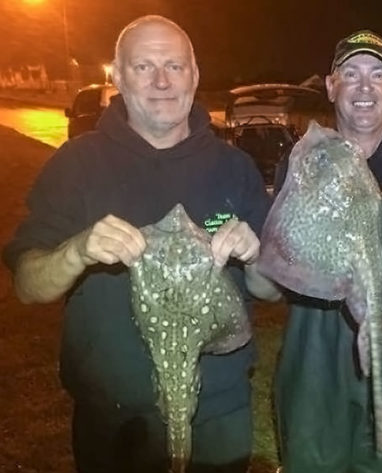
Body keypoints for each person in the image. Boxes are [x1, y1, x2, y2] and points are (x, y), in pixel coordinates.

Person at [2, 15, 280, 473]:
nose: (162, 81)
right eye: (143, 67)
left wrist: (256, 257)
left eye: (174, 66)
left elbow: (270, 291)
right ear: (118, 75)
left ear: (195, 74)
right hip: (114, 420)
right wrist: (76, 250)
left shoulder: (236, 167)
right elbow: (28, 286)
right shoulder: (77, 164)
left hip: (219, 414)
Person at [273, 30, 382, 473]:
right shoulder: (301, 161)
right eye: (351, 74)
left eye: (378, 75)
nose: (364, 87)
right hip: (314, 347)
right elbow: (277, 268)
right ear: (330, 85)